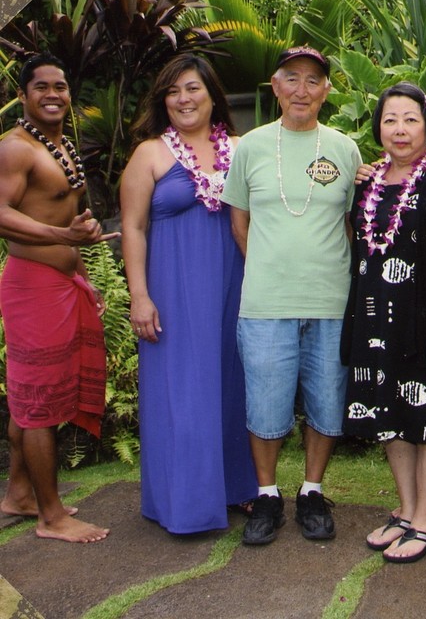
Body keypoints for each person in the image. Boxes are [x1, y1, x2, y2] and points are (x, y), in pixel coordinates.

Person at [220, 46, 362, 545]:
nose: (302, 90)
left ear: (326, 91)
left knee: (327, 402)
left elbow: (351, 224)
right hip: (265, 304)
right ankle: (266, 496)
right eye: (292, 79)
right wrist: (269, 264)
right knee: (266, 406)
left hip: (329, 302)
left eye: (313, 81)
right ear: (275, 87)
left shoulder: (345, 149)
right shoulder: (251, 148)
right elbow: (239, 221)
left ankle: (312, 491)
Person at [120, 53, 257, 534]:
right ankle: (184, 502)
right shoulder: (150, 154)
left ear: (212, 94)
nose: (184, 99)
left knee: (233, 383)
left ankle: (239, 487)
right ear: (163, 100)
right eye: (174, 91)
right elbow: (133, 229)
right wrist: (140, 295)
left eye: (193, 88)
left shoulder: (242, 147)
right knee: (183, 393)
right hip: (173, 291)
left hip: (235, 286)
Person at [342, 83, 426, 563]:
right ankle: (405, 508)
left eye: (410, 118)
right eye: (390, 118)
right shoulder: (367, 183)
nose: (399, 129)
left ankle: (424, 520)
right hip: (373, 321)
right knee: (388, 421)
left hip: (424, 324)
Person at [0, 53, 116, 543]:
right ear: (24, 96)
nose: (53, 94)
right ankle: (52, 517)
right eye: (41, 86)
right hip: (33, 287)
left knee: (34, 397)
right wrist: (59, 236)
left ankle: (20, 494)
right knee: (39, 403)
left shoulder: (59, 144)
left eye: (61, 86)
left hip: (63, 285)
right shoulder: (14, 148)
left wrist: (81, 256)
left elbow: (66, 216)